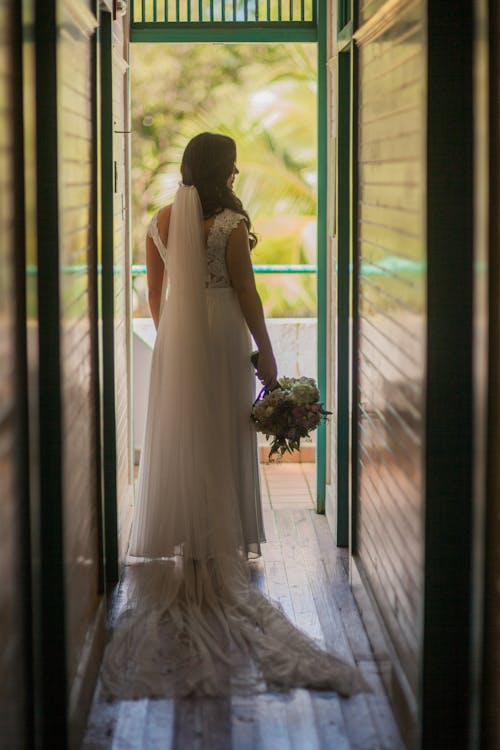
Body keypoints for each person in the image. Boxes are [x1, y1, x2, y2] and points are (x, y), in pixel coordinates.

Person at [101, 133, 368, 700]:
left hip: (177, 341)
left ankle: (189, 543)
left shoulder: (160, 220)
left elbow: (154, 298)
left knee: (184, 434)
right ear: (225, 170)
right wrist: (267, 357)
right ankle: (217, 539)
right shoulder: (228, 226)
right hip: (224, 339)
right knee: (224, 433)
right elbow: (248, 295)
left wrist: (177, 339)